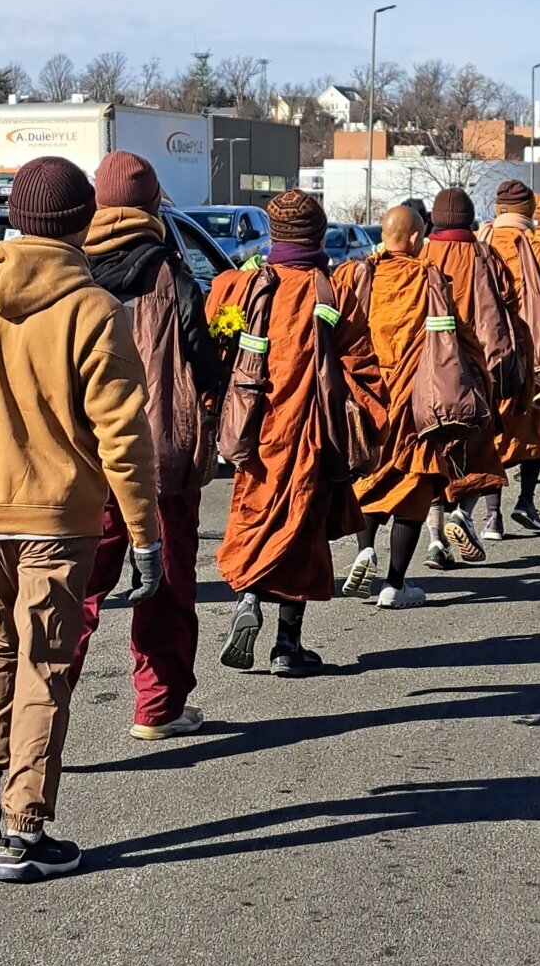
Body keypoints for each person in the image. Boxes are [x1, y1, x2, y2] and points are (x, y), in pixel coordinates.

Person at [0, 156, 161, 882]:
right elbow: (124, 437)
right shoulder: (92, 309)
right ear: (83, 223)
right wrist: (145, 537)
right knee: (44, 663)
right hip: (58, 511)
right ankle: (25, 829)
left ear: (13, 215)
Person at [70, 151, 220, 739]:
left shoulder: (72, 267)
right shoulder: (171, 271)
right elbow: (204, 365)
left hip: (83, 459)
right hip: (159, 458)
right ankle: (158, 708)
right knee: (166, 583)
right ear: (155, 202)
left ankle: (40, 713)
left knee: (74, 593)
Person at [212, 191, 387, 664]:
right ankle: (287, 646)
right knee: (303, 532)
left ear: (274, 232)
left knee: (256, 518)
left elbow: (214, 351)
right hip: (312, 430)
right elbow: (362, 365)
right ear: (317, 232)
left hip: (252, 431)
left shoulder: (240, 286)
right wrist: (371, 420)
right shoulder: (333, 290)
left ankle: (249, 598)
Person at [340, 206, 450, 606]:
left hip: (368, 397)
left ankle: (364, 550)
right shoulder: (430, 279)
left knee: (370, 477)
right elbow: (456, 339)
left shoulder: (357, 275)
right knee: (413, 485)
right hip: (415, 398)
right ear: (419, 239)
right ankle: (394, 584)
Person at [477, 179, 540, 531]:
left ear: (499, 208)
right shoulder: (538, 247)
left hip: (485, 352)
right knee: (535, 427)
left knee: (490, 431)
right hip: (531, 353)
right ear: (530, 213)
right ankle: (525, 500)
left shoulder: (480, 243)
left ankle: (491, 517)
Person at [422, 188, 508, 554]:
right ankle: (464, 514)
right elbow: (503, 305)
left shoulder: (420, 255)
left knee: (430, 456)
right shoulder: (483, 254)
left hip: (425, 369)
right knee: (479, 451)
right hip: (473, 367)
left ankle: (434, 538)